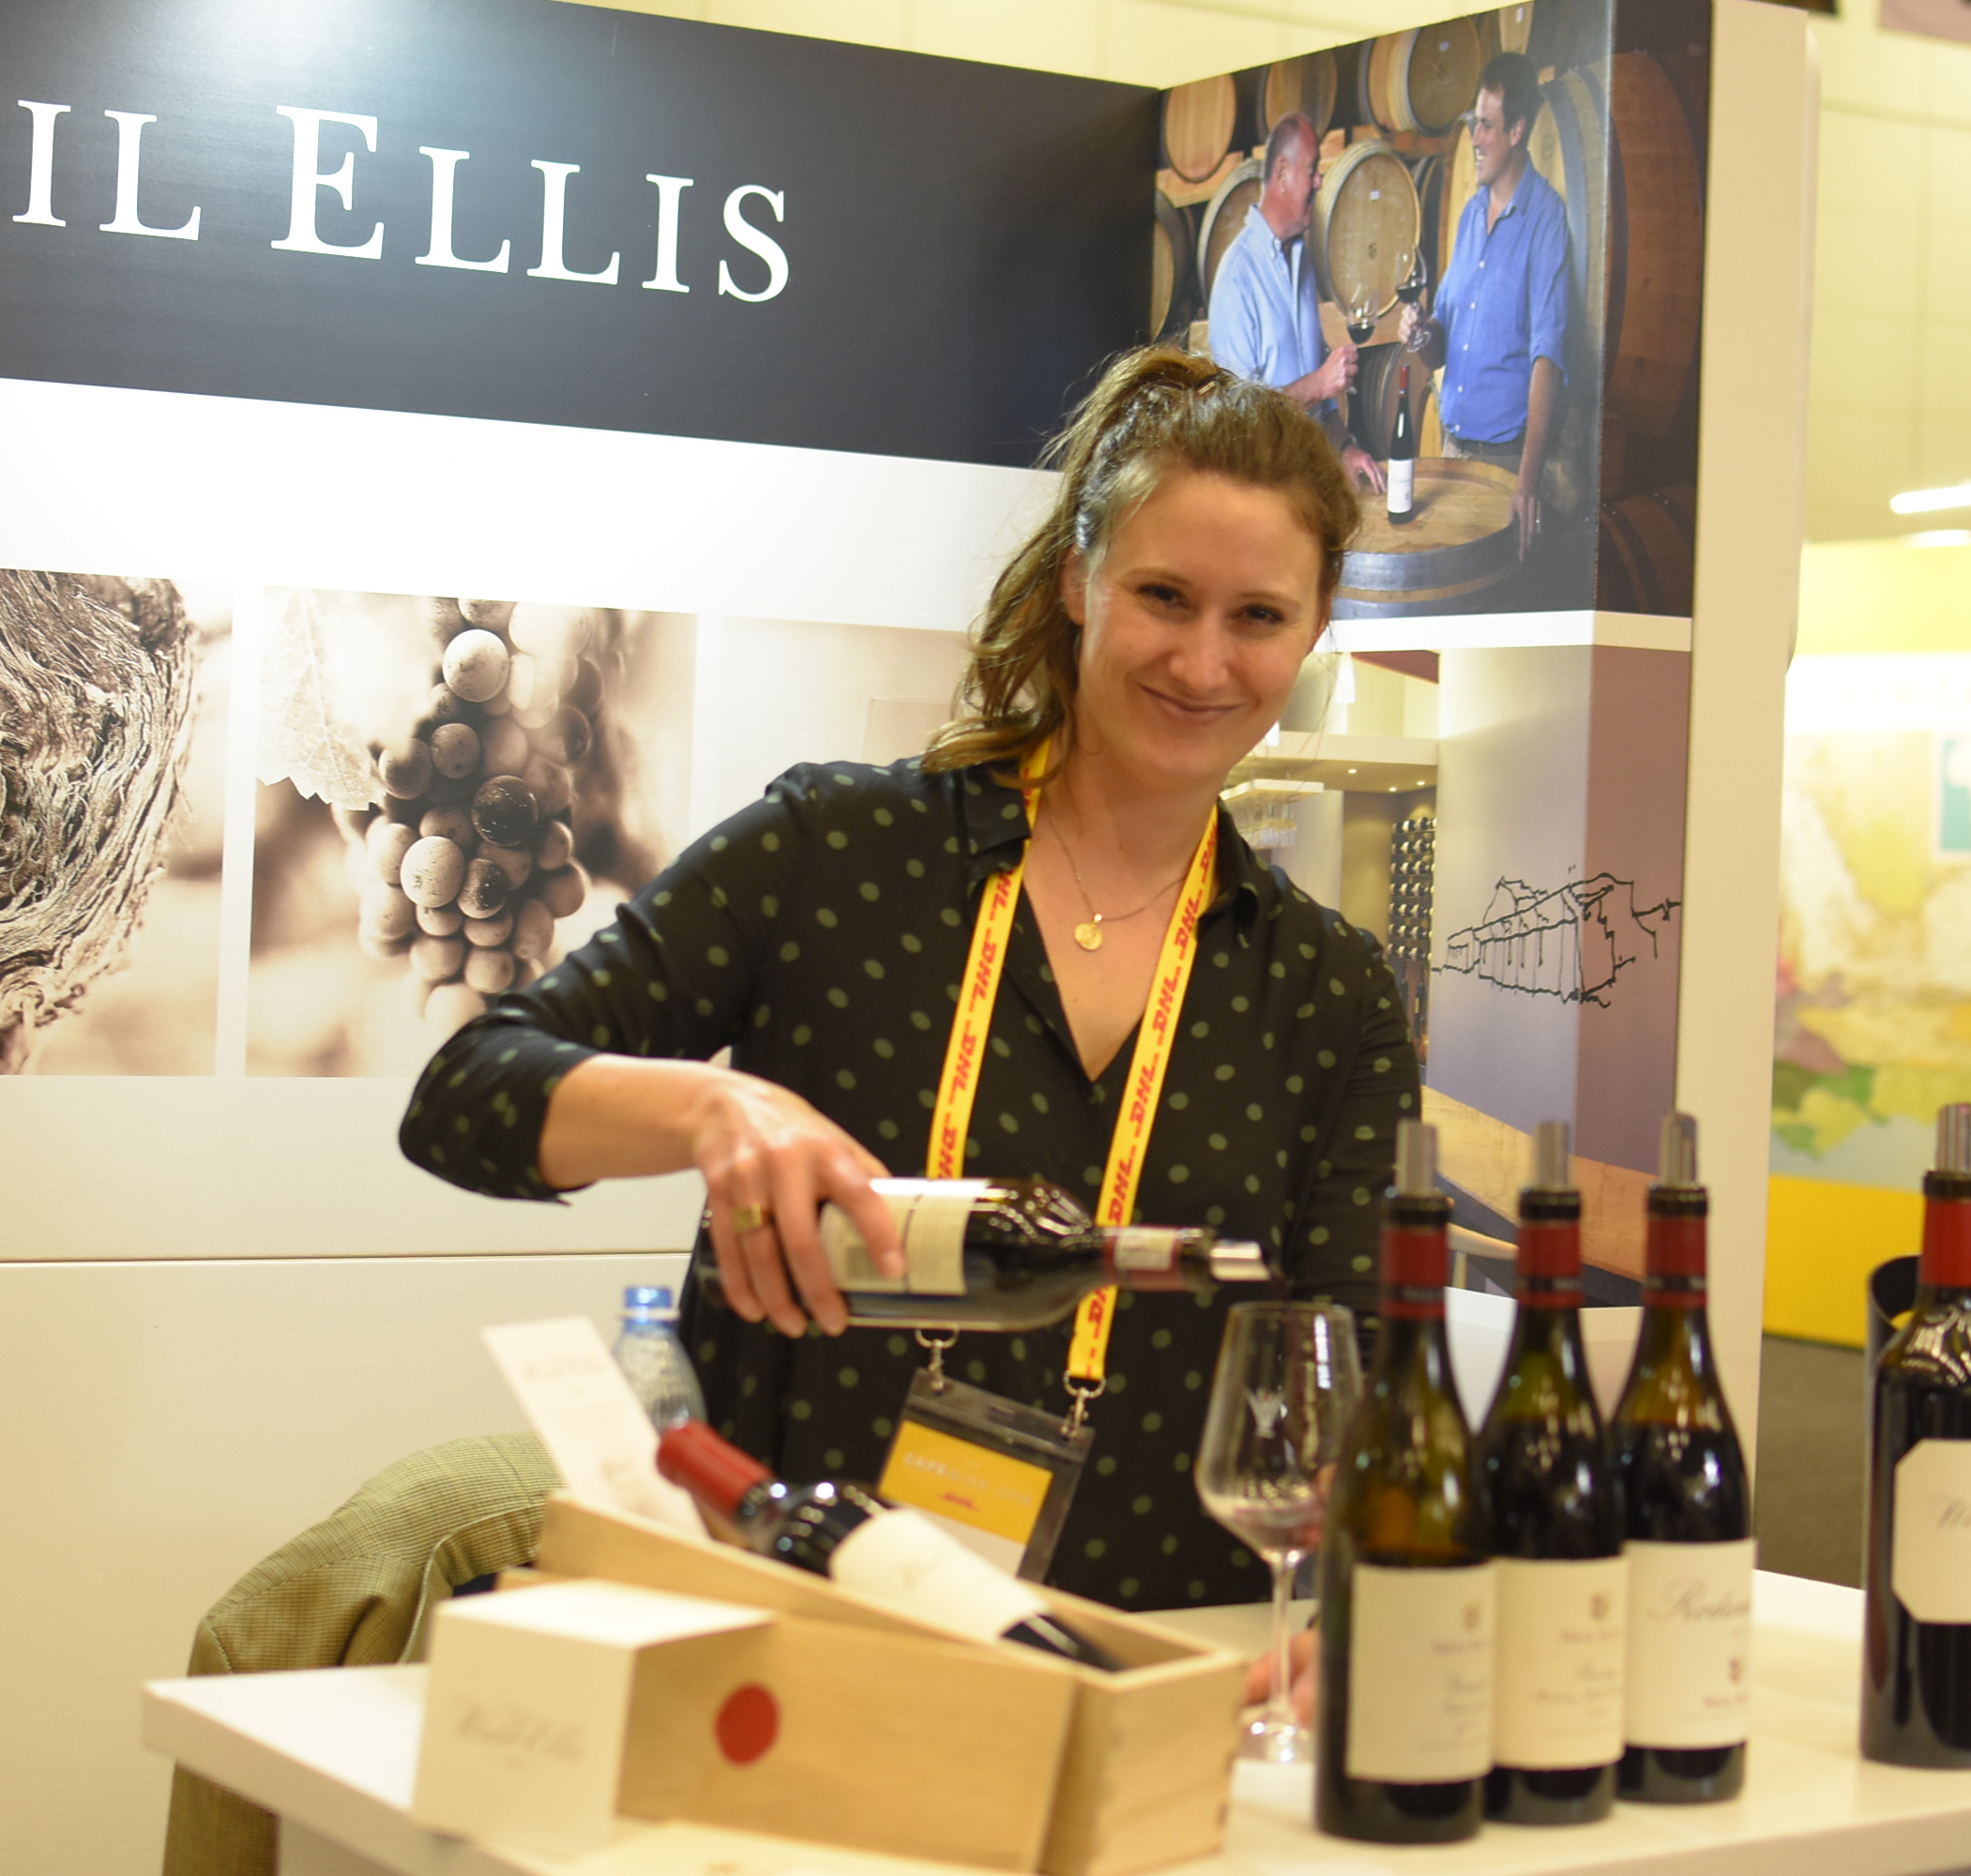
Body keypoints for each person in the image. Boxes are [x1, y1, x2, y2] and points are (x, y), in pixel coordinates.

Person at [401, 348, 1421, 1611]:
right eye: (1163, 595)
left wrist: (1352, 1615)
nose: (1204, 663)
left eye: (1258, 616)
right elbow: (463, 1098)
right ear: (1079, 582)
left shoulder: (1328, 993)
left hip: (1149, 1660)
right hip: (787, 1636)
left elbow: (1355, 1371)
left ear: (1314, 628)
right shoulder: (838, 852)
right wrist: (714, 1110)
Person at [1396, 53, 1572, 557]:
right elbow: (1441, 342)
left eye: (1487, 126)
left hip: (1505, 463)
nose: (1474, 139)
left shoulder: (1545, 220)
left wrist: (1527, 483)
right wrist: (1421, 333)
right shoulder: (1471, 215)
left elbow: (1549, 358)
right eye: (1474, 123)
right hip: (1453, 451)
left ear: (1517, 131)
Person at [1205, 113, 1384, 497]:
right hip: (1266, 494)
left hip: (1311, 484)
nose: (1320, 180)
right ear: (1283, 173)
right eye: (1312, 169)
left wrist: (1344, 446)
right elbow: (1240, 416)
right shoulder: (1238, 276)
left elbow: (1318, 387)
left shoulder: (1301, 260)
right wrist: (1318, 384)